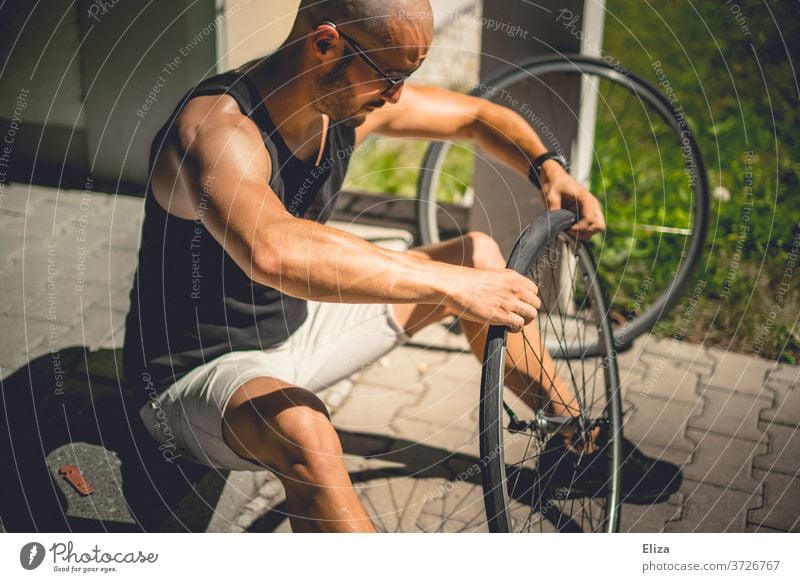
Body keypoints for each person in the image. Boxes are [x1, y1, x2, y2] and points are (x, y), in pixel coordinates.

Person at [123, 0, 680, 532]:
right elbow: (273, 250)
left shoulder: (337, 105)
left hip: (295, 331)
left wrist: (547, 168)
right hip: (195, 376)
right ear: (325, 44)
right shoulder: (216, 131)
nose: (397, 96)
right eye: (390, 76)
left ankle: (572, 445)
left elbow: (474, 116)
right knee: (308, 438)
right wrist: (452, 286)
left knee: (477, 254)